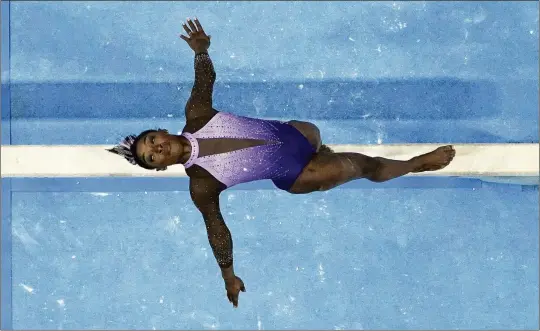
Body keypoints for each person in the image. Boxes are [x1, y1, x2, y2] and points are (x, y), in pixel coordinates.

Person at [108, 18, 456, 308]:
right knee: (363, 167)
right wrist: (229, 276)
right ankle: (414, 164)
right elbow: (218, 232)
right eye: (151, 158)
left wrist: (201, 51)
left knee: (312, 131)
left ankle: (325, 154)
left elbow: (205, 81)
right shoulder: (202, 183)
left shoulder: (197, 114)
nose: (157, 149)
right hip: (298, 174)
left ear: (161, 131)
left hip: (298, 136)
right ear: (160, 168)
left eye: (152, 141)